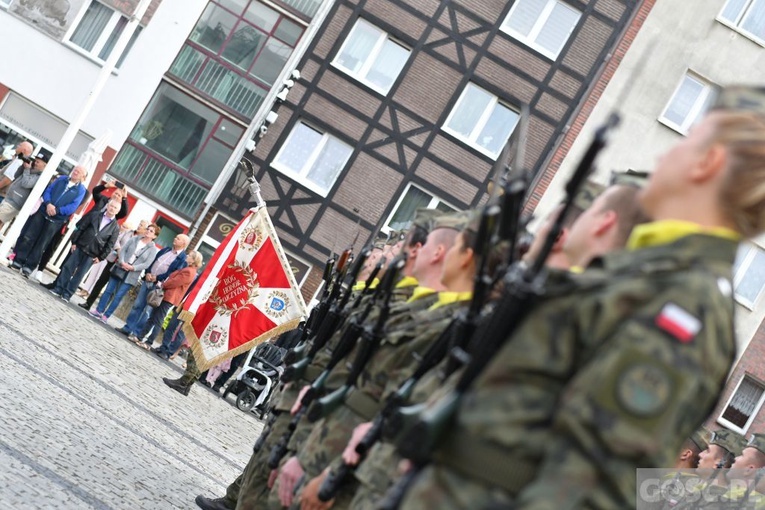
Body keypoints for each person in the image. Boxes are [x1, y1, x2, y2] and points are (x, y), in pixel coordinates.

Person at [396, 88, 765, 509]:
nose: (668, 153)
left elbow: (585, 490)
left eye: (690, 137)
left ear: (707, 162)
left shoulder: (681, 304)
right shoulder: (645, 275)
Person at [11, 165, 87, 277]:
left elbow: (73, 206)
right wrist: (48, 204)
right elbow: (48, 191)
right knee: (29, 236)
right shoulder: (61, 179)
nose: (75, 172)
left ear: (82, 177)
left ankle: (29, 266)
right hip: (43, 212)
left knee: (42, 243)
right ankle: (18, 260)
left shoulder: (81, 190)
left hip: (56, 219)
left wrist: (58, 210)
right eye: (75, 169)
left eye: (79, 172)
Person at [116, 233, 190, 337]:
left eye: (178, 238)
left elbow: (173, 273)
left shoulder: (182, 259)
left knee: (147, 311)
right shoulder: (166, 250)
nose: (175, 238)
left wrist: (158, 278)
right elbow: (152, 261)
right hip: (147, 280)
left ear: (183, 243)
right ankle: (128, 328)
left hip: (159, 287)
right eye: (176, 237)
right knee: (137, 305)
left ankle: (137, 333)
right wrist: (148, 272)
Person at [47, 199, 121, 301]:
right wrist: (74, 242)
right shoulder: (95, 215)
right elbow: (81, 228)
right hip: (80, 246)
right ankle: (58, 289)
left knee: (79, 275)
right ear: (108, 206)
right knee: (68, 268)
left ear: (117, 211)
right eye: (111, 206)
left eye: (115, 208)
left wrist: (100, 257)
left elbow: (110, 245)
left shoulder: (115, 227)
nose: (112, 209)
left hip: (93, 254)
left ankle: (67, 295)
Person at [130, 250, 203, 349]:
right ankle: (140, 337)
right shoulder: (188, 269)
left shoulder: (189, 271)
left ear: (194, 260)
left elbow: (175, 282)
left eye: (189, 255)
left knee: (158, 319)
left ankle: (149, 342)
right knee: (153, 317)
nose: (187, 256)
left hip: (170, 297)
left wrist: (163, 284)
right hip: (167, 295)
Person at [90, 224, 160, 322]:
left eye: (151, 231)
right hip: (120, 267)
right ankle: (98, 310)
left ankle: (106, 316)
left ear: (155, 236)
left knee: (118, 295)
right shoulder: (135, 239)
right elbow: (123, 250)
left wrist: (133, 267)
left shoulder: (153, 249)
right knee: (108, 290)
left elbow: (147, 264)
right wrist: (122, 262)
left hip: (132, 273)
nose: (148, 231)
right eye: (148, 229)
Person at [80, 220, 147, 309]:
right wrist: (119, 249)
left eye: (141, 225)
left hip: (123, 265)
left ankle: (102, 309)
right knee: (101, 281)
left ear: (145, 229)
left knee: (112, 288)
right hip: (113, 260)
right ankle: (88, 303)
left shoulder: (141, 241)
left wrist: (123, 257)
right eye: (139, 224)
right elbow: (116, 239)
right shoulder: (128, 232)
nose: (139, 226)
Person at [0, 152, 47, 228]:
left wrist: (27, 169)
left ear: (44, 165)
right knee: (1, 221)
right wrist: (23, 166)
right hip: (9, 198)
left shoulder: (40, 176)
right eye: (35, 160)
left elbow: (26, 184)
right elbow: (15, 175)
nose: (35, 163)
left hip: (15, 203)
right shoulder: (30, 170)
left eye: (38, 162)